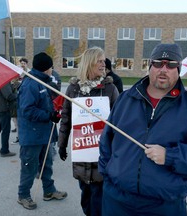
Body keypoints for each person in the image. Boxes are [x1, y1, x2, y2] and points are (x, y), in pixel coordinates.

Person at [98, 43, 187, 216]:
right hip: (117, 202)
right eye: (158, 63)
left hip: (165, 205)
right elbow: (106, 142)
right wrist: (108, 178)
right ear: (150, 66)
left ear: (178, 69)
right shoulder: (126, 99)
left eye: (171, 64)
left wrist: (170, 156)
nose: (163, 69)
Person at [58, 47, 119, 216]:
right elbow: (66, 119)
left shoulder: (110, 89)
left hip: (103, 153)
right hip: (82, 154)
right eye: (99, 61)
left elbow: (120, 121)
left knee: (99, 198)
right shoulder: (73, 89)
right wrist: (61, 144)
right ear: (89, 63)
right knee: (86, 196)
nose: (104, 64)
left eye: (104, 60)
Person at [17, 52, 67, 210]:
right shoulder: (30, 84)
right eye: (51, 67)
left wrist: (53, 113)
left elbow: (46, 103)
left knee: (47, 163)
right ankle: (23, 195)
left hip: (44, 133)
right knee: (29, 166)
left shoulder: (42, 81)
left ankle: (49, 191)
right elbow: (27, 110)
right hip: (32, 135)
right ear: (47, 68)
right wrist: (48, 115)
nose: (53, 70)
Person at [11, 57, 30, 143]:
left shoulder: (29, 73)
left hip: (24, 98)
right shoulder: (17, 71)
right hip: (16, 98)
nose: (22, 65)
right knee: (16, 119)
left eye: (24, 63)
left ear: (26, 64)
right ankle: (18, 136)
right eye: (21, 63)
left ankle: (24, 135)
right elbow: (13, 84)